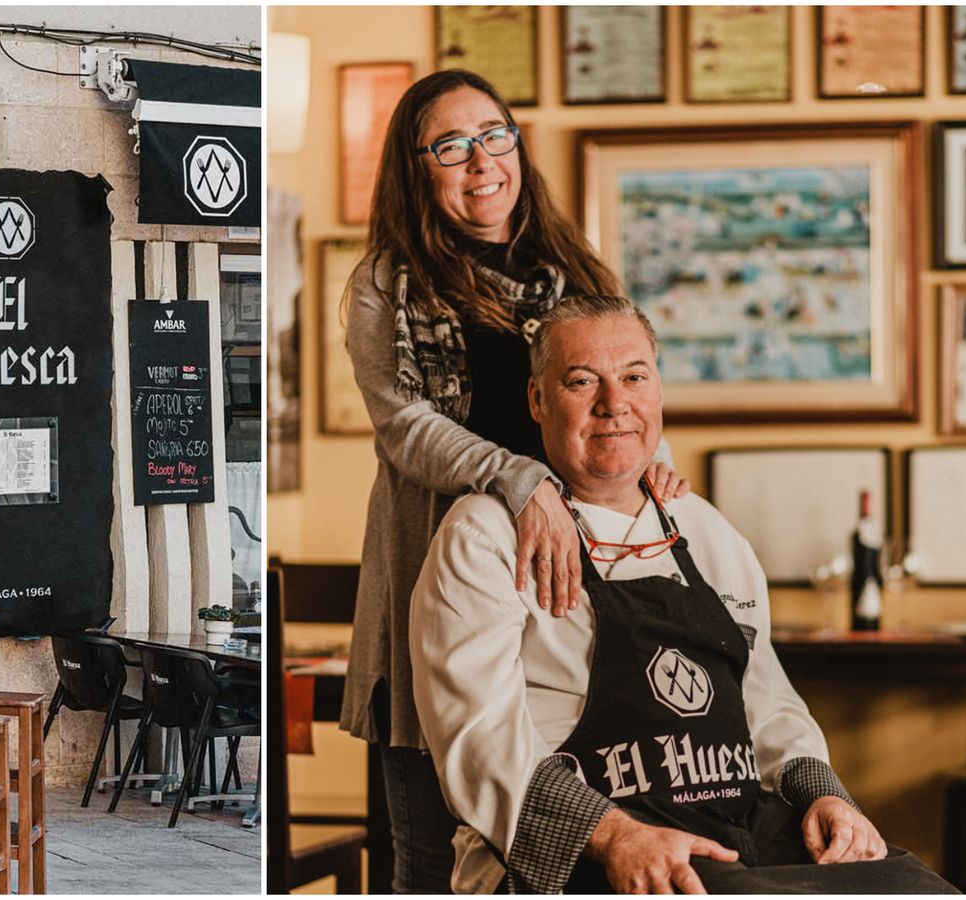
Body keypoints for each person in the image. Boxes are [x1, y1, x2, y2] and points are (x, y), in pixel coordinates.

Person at [409, 294, 958, 894]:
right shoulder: (483, 535)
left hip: (737, 832)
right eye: (581, 381)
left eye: (634, 377)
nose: (614, 404)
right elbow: (478, 740)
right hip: (591, 847)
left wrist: (823, 794)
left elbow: (765, 699)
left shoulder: (707, 531)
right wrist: (617, 835)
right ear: (538, 401)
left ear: (659, 393)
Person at [339, 69, 688, 892]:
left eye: (495, 136)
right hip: (440, 577)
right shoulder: (386, 284)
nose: (481, 160)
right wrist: (519, 477)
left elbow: (621, 390)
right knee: (431, 858)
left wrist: (650, 463)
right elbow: (403, 426)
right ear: (415, 166)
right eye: (451, 146)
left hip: (566, 598)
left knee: (568, 840)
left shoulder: (578, 271)